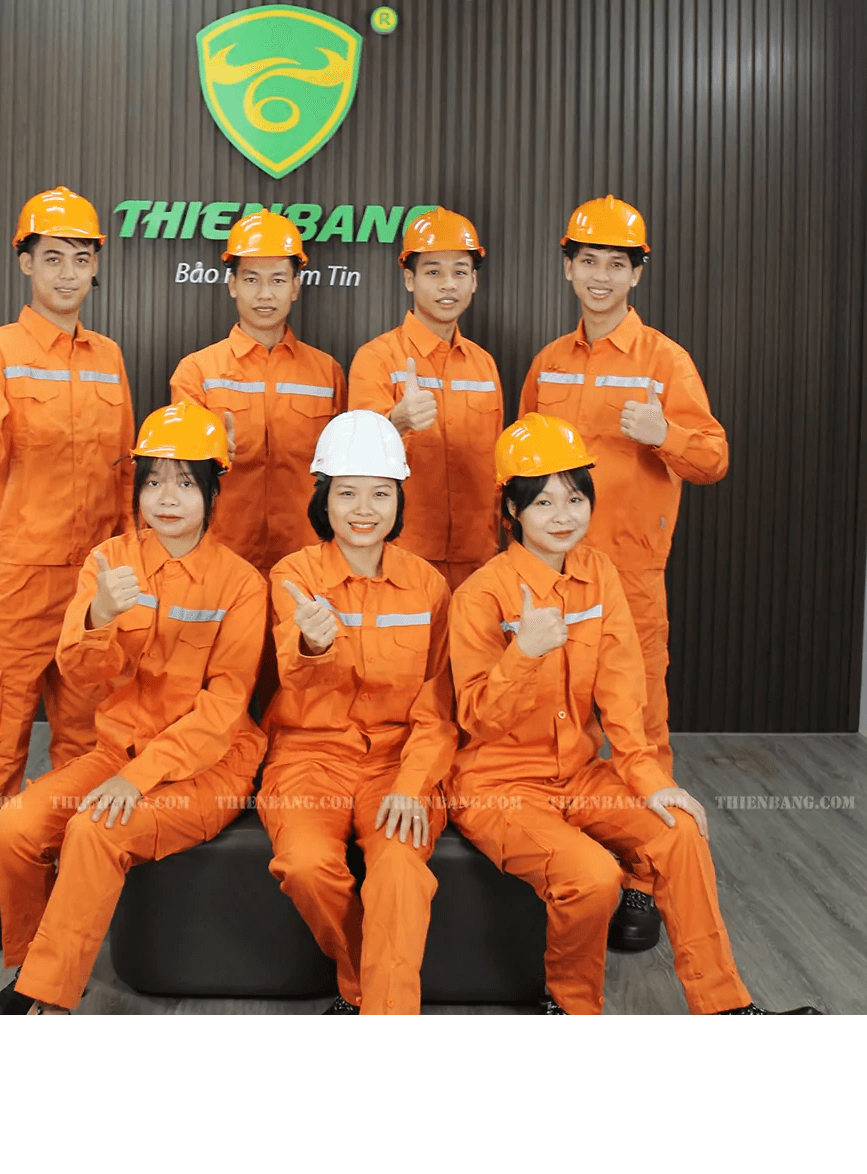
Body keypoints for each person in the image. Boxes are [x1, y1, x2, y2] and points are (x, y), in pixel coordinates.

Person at [446, 414, 820, 1015]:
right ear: (512, 510)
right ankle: (571, 1008)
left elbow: (622, 691)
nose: (564, 515)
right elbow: (476, 719)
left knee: (679, 832)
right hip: (499, 786)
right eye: (543, 502)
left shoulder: (598, 574)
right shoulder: (480, 596)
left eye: (575, 498)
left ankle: (725, 1007)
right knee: (594, 876)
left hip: (579, 775)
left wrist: (649, 778)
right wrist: (525, 653)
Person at [0, 403, 267, 1014]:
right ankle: (36, 967)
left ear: (213, 492)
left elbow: (223, 706)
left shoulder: (242, 583)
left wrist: (138, 779)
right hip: (118, 750)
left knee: (94, 829)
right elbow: (80, 673)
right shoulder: (109, 562)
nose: (168, 498)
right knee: (13, 828)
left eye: (186, 482)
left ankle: (47, 1001)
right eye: (154, 481)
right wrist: (100, 615)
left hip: (207, 768)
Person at [519, 195, 729, 949]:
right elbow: (519, 472)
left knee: (638, 727)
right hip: (553, 575)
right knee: (556, 722)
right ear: (568, 268)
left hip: (630, 578)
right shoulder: (548, 364)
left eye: (617, 263)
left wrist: (665, 432)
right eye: (589, 262)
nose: (601, 277)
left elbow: (713, 457)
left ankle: (644, 878)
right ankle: (570, 862)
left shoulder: (665, 361)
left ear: (637, 273)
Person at [0, 186, 135, 953]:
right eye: (52, 258)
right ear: (25, 264)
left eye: (80, 259)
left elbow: (124, 469)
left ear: (94, 268)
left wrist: (128, 558)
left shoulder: (109, 357)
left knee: (86, 738)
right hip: (18, 577)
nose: (66, 273)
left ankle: (56, 860)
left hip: (91, 583)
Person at [259, 411, 457, 1014]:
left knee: (398, 870)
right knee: (304, 865)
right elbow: (293, 676)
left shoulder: (428, 586)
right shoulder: (293, 576)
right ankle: (367, 986)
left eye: (380, 493)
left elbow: (438, 704)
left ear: (400, 500)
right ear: (323, 499)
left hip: (397, 760)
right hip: (308, 757)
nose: (363, 510)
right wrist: (312, 642)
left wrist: (413, 785)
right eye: (346, 493)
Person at [170, 209, 346, 578]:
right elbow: (179, 474)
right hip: (218, 559)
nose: (265, 294)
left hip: (308, 559)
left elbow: (343, 472)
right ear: (232, 284)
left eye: (278, 280)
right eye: (251, 279)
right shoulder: (197, 372)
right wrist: (211, 456)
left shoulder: (327, 372)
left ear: (296, 286)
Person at [348, 207, 502, 590]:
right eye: (433, 272)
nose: (448, 284)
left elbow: (496, 469)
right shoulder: (376, 358)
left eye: (460, 272)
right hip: (400, 559)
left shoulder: (484, 365)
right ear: (409, 279)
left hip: (477, 559)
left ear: (474, 281)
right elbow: (356, 462)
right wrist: (395, 422)